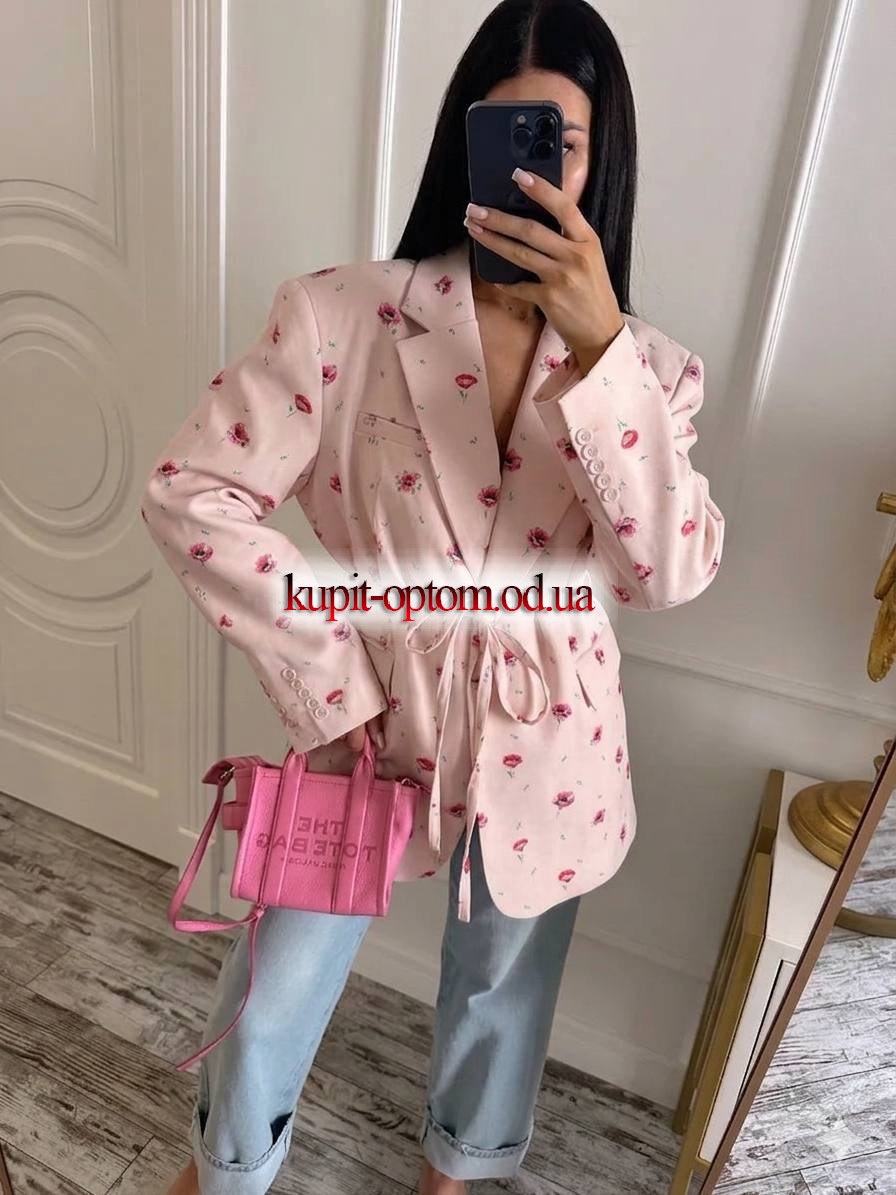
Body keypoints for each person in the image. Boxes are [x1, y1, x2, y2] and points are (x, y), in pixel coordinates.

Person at [145, 1, 725, 1191]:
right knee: (277, 978)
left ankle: (460, 1167)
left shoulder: (652, 373)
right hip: (366, 703)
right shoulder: (341, 315)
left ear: (600, 159)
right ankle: (225, 1165)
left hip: (546, 723)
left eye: (561, 143)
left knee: (503, 984)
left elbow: (666, 574)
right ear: (464, 140)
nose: (532, 171)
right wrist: (329, 675)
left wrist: (601, 352)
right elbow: (192, 492)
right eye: (504, 132)